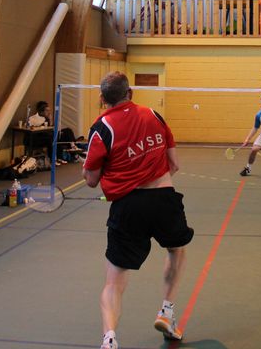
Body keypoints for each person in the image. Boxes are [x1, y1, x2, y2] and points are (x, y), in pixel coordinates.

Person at [82, 72, 194, 349]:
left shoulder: (102, 127)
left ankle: (109, 338)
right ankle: (166, 311)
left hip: (128, 207)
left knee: (115, 280)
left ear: (101, 98)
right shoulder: (153, 114)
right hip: (163, 199)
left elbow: (91, 180)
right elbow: (174, 164)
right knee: (176, 249)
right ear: (130, 93)